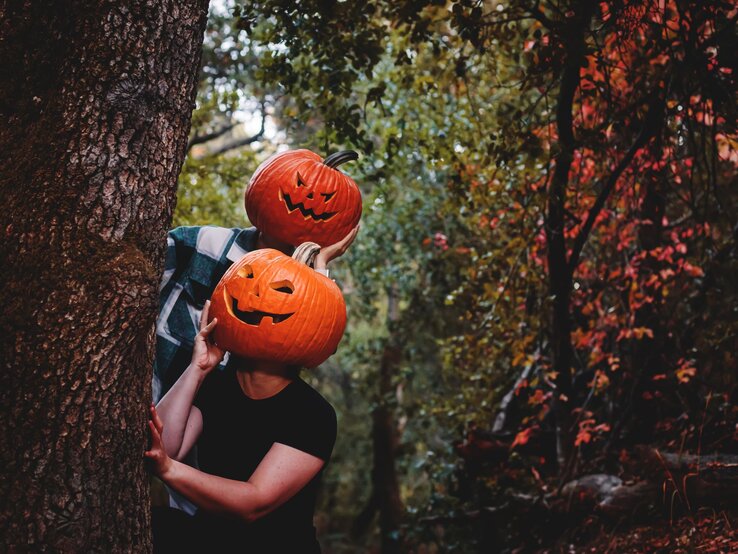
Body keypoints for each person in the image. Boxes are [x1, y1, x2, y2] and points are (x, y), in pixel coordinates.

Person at [146, 298, 338, 553]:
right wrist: (198, 369)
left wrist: (169, 470)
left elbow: (252, 502)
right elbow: (163, 446)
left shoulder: (313, 413)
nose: (255, 312)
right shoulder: (216, 385)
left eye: (271, 316)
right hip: (209, 538)